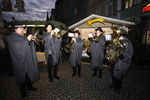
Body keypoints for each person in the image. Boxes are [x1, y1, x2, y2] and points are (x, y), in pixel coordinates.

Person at [7, 25, 39, 97]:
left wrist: (31, 41)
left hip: (26, 59)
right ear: (15, 29)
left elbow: (27, 46)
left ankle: (30, 87)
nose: (22, 29)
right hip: (19, 61)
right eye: (20, 28)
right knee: (22, 76)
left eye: (22, 28)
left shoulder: (22, 36)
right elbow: (17, 46)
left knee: (28, 74)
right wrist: (27, 40)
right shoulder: (11, 37)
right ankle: (23, 91)